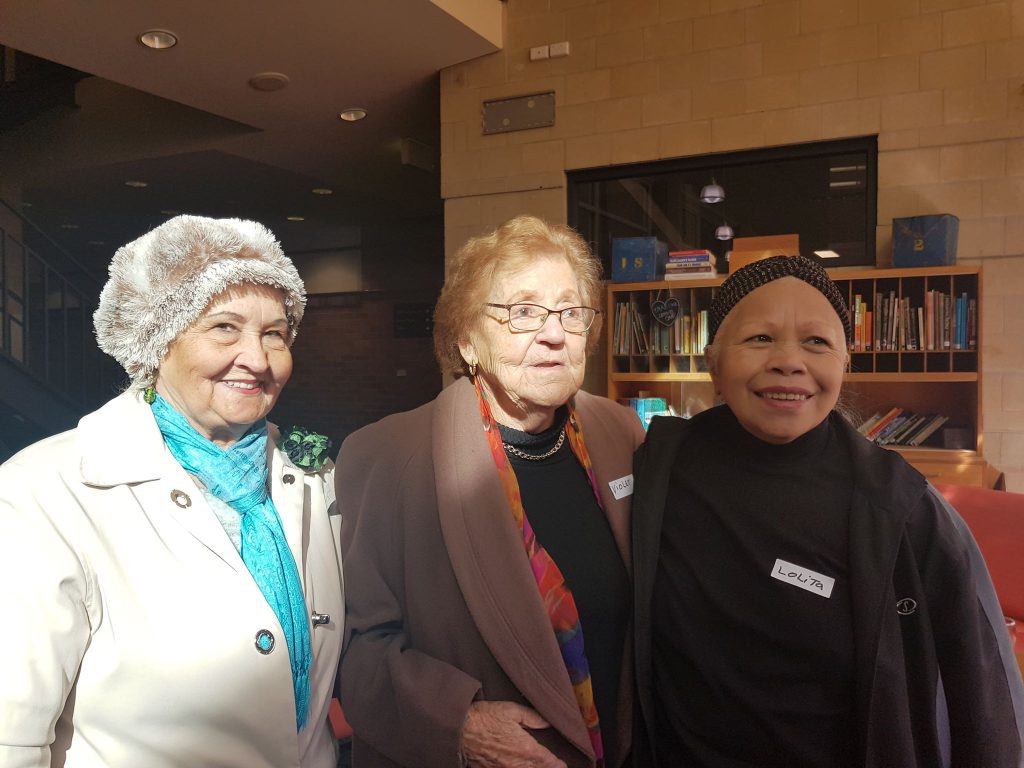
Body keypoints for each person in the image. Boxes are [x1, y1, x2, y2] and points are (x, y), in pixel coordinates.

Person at [631, 254, 1024, 767]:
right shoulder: (656, 466)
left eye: (816, 342)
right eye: (759, 338)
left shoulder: (902, 509)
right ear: (713, 363)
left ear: (844, 363)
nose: (788, 361)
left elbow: (985, 698)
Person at [0, 215, 345, 767]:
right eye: (224, 328)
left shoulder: (312, 477)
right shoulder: (44, 492)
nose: (257, 360)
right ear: (156, 339)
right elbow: (10, 738)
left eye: (275, 334)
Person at [336, 215, 646, 768]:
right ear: (467, 339)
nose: (554, 334)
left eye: (570, 312)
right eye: (523, 312)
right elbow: (357, 653)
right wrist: (460, 725)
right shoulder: (389, 458)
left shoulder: (620, 435)